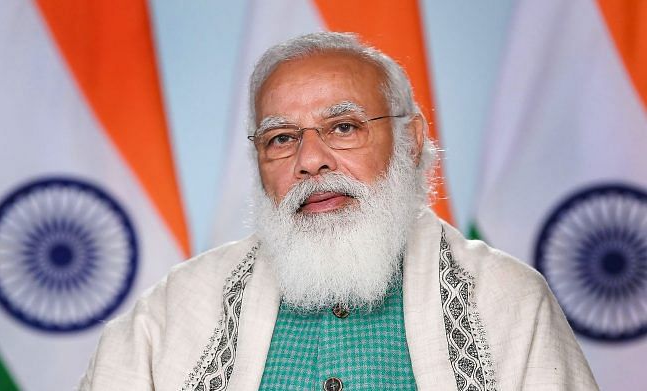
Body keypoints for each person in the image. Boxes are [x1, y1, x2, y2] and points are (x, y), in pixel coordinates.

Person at [79, 32, 597, 391]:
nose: (310, 161)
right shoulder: (173, 312)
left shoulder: (505, 300)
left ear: (410, 140)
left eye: (343, 128)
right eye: (281, 139)